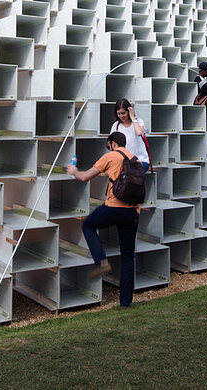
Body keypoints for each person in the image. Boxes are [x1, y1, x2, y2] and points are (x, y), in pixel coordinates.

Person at [65, 131, 140, 307]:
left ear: (113, 143)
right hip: (133, 212)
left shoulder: (110, 156)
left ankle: (102, 262)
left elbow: (84, 177)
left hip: (114, 207)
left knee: (88, 226)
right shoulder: (134, 158)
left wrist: (74, 171)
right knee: (128, 257)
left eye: (108, 144)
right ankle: (125, 303)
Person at [109, 98, 150, 171]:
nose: (121, 116)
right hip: (124, 162)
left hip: (141, 161)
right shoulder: (116, 126)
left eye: (123, 113)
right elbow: (111, 144)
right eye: (119, 113)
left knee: (129, 172)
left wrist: (132, 117)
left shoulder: (138, 121)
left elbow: (139, 132)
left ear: (129, 111)